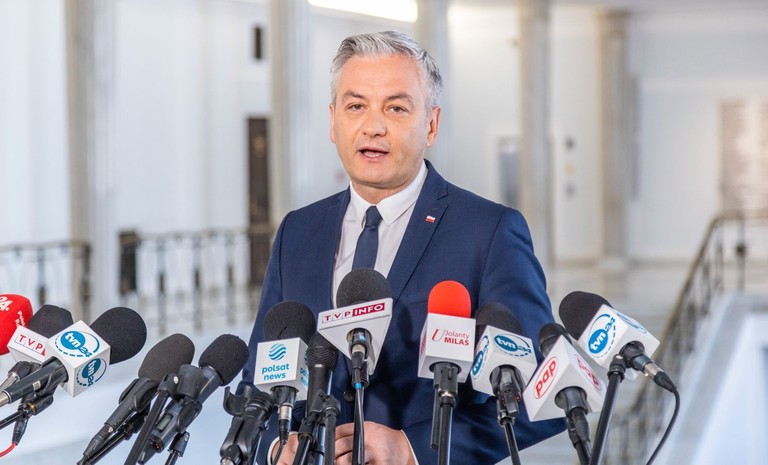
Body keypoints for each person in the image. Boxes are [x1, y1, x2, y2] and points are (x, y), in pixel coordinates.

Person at [239, 30, 564, 465]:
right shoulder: (298, 231)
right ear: (333, 122)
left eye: (396, 108)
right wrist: (277, 446)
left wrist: (411, 448)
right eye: (356, 106)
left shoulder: (489, 232)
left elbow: (546, 395)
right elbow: (257, 382)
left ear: (431, 124)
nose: (373, 126)